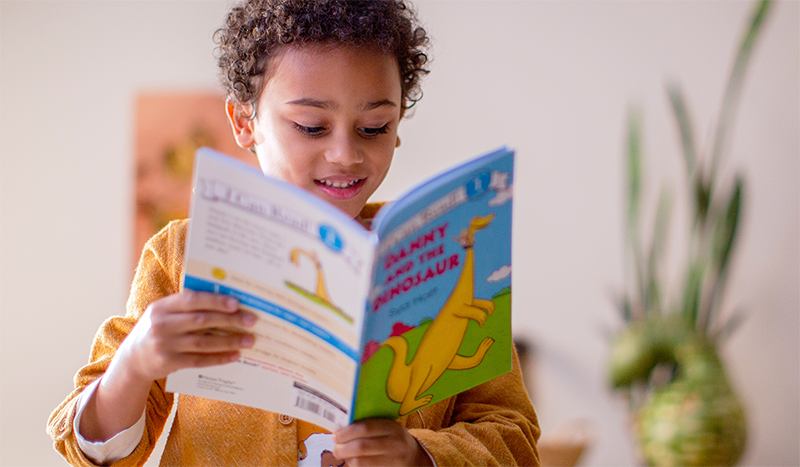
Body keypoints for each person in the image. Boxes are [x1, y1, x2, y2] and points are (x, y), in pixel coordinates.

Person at [47, 1, 541, 466]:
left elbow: (514, 435)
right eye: (310, 126)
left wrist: (419, 455)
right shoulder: (178, 255)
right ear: (245, 122)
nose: (346, 154)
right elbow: (87, 447)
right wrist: (134, 365)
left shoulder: (445, 247)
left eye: (374, 127)